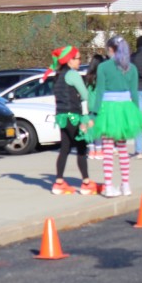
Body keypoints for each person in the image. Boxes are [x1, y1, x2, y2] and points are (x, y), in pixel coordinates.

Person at [91, 36, 142, 197]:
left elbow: (99, 92)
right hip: (125, 109)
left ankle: (109, 186)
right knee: (122, 148)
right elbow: (135, 94)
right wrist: (137, 114)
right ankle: (126, 185)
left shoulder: (103, 67)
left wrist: (94, 113)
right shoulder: (131, 68)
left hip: (108, 109)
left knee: (108, 149)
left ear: (110, 49)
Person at [45, 45, 96, 194]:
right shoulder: (73, 75)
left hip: (61, 116)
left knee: (65, 148)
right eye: (78, 58)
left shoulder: (58, 75)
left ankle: (59, 182)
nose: (80, 61)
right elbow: (85, 95)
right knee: (81, 148)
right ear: (69, 60)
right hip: (74, 116)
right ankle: (86, 183)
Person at [84, 53, 106, 161]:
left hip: (90, 105)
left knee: (91, 128)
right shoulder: (100, 77)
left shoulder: (88, 76)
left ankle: (91, 151)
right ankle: (99, 150)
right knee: (98, 129)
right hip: (99, 105)